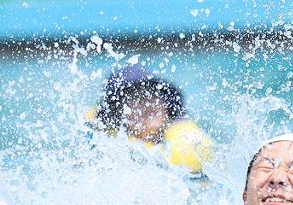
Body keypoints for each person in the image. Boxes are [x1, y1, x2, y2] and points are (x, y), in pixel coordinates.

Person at [86, 64, 214, 178]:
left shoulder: (188, 140)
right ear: (116, 114)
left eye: (153, 92)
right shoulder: (112, 155)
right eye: (133, 97)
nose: (147, 101)